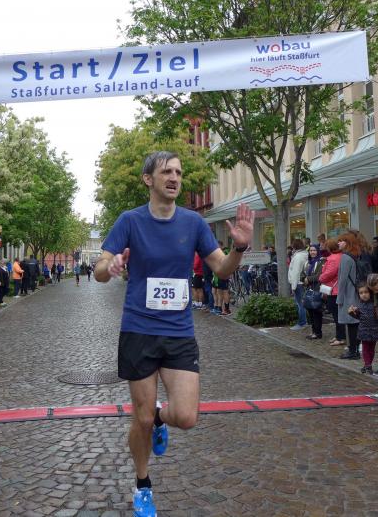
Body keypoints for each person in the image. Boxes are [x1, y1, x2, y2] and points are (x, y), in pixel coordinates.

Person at [94, 151, 254, 517]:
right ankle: (143, 485)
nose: (174, 178)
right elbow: (101, 267)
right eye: (166, 171)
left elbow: (222, 269)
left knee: (185, 416)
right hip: (139, 329)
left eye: (179, 172)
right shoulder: (130, 220)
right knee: (140, 418)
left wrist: (239, 247)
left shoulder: (193, 222)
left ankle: (160, 419)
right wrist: (111, 265)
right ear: (148, 179)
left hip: (179, 331)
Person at [335, 233, 360, 360]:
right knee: (355, 324)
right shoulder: (355, 255)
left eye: (341, 241)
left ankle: (352, 351)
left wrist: (339, 298)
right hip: (355, 293)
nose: (338, 243)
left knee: (351, 324)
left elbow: (342, 280)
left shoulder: (345, 257)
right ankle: (355, 350)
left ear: (347, 243)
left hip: (348, 295)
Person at [348, 284, 378, 375]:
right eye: (361, 293)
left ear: (370, 293)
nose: (363, 294)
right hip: (364, 330)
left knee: (371, 349)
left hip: (374, 330)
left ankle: (368, 364)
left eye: (366, 292)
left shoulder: (376, 304)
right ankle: (368, 365)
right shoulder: (360, 305)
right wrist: (351, 313)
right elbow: (359, 317)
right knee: (365, 348)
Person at [318, 239, 344, 347]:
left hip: (334, 290)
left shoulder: (333, 258)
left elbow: (328, 274)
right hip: (336, 289)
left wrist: (320, 277)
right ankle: (339, 335)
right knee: (337, 315)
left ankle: (340, 337)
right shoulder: (340, 256)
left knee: (336, 315)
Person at [304, 245, 325, 340]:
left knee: (316, 312)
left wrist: (308, 279)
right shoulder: (309, 262)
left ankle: (318, 332)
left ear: (318, 251)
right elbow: (303, 274)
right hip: (309, 289)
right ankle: (314, 331)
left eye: (314, 250)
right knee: (310, 311)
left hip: (317, 289)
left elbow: (319, 276)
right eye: (311, 250)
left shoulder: (321, 261)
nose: (312, 252)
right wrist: (304, 279)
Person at [288, 238, 309, 331]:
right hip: (302, 282)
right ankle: (304, 322)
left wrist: (293, 286)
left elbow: (296, 272)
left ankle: (302, 323)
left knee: (300, 304)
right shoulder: (305, 254)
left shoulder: (298, 256)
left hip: (298, 283)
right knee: (302, 303)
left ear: (294, 246)